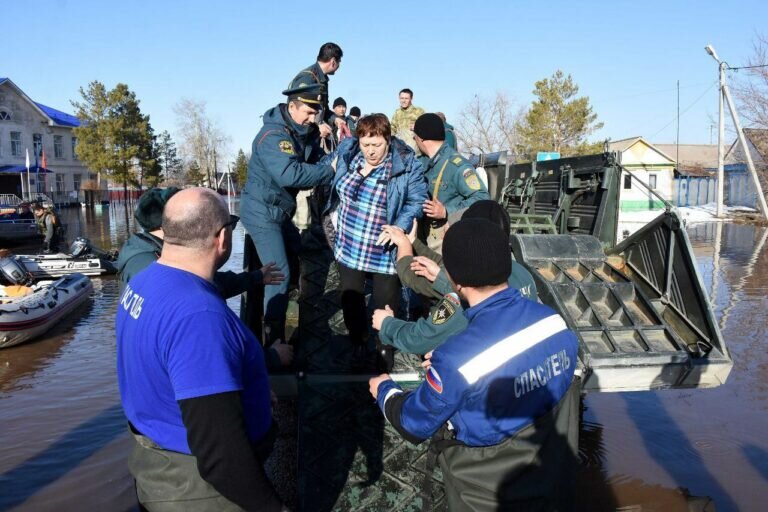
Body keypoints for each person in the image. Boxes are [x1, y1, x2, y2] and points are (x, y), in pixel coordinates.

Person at [369, 218, 580, 511]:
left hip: (487, 488)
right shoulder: (555, 323)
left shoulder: (454, 360)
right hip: (551, 476)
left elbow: (415, 423)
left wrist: (384, 390)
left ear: (454, 280)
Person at [116, 188, 289, 512]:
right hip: (200, 490)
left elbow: (169, 367)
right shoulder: (199, 316)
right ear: (222, 238)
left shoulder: (145, 281)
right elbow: (221, 455)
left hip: (156, 461)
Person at [116, 187, 292, 369]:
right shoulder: (151, 270)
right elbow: (206, 356)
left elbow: (212, 283)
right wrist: (272, 358)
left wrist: (256, 277)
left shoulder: (155, 262)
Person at [373, 200, 538, 355]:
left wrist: (387, 324)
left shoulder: (463, 298)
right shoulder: (522, 273)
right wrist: (416, 243)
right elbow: (450, 264)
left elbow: (420, 338)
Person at [324, 114, 428, 354]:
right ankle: (358, 342)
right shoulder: (348, 153)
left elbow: (417, 199)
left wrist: (399, 226)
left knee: (386, 306)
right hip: (349, 245)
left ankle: (384, 352)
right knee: (351, 301)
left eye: (377, 145)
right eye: (366, 144)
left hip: (384, 251)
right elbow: (322, 170)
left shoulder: (406, 163)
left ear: (388, 140)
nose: (371, 151)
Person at [240, 83, 336, 344]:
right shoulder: (274, 136)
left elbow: (314, 159)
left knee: (298, 251)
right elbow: (289, 174)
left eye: (315, 113)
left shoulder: (301, 132)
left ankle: (291, 313)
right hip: (261, 210)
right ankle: (273, 339)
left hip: (280, 212)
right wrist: (330, 171)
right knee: (278, 271)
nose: (312, 118)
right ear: (292, 107)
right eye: (308, 112)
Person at [413, 113, 489, 252]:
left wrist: (446, 211)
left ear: (421, 138)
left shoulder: (457, 166)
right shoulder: (421, 162)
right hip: (422, 237)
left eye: (415, 137)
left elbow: (482, 198)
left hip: (445, 240)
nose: (415, 141)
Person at [288, 42, 345, 140]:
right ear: (333, 61)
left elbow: (323, 109)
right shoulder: (307, 78)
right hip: (301, 137)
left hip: (312, 135)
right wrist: (318, 125)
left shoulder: (322, 79)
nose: (339, 66)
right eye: (339, 62)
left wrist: (335, 119)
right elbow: (299, 111)